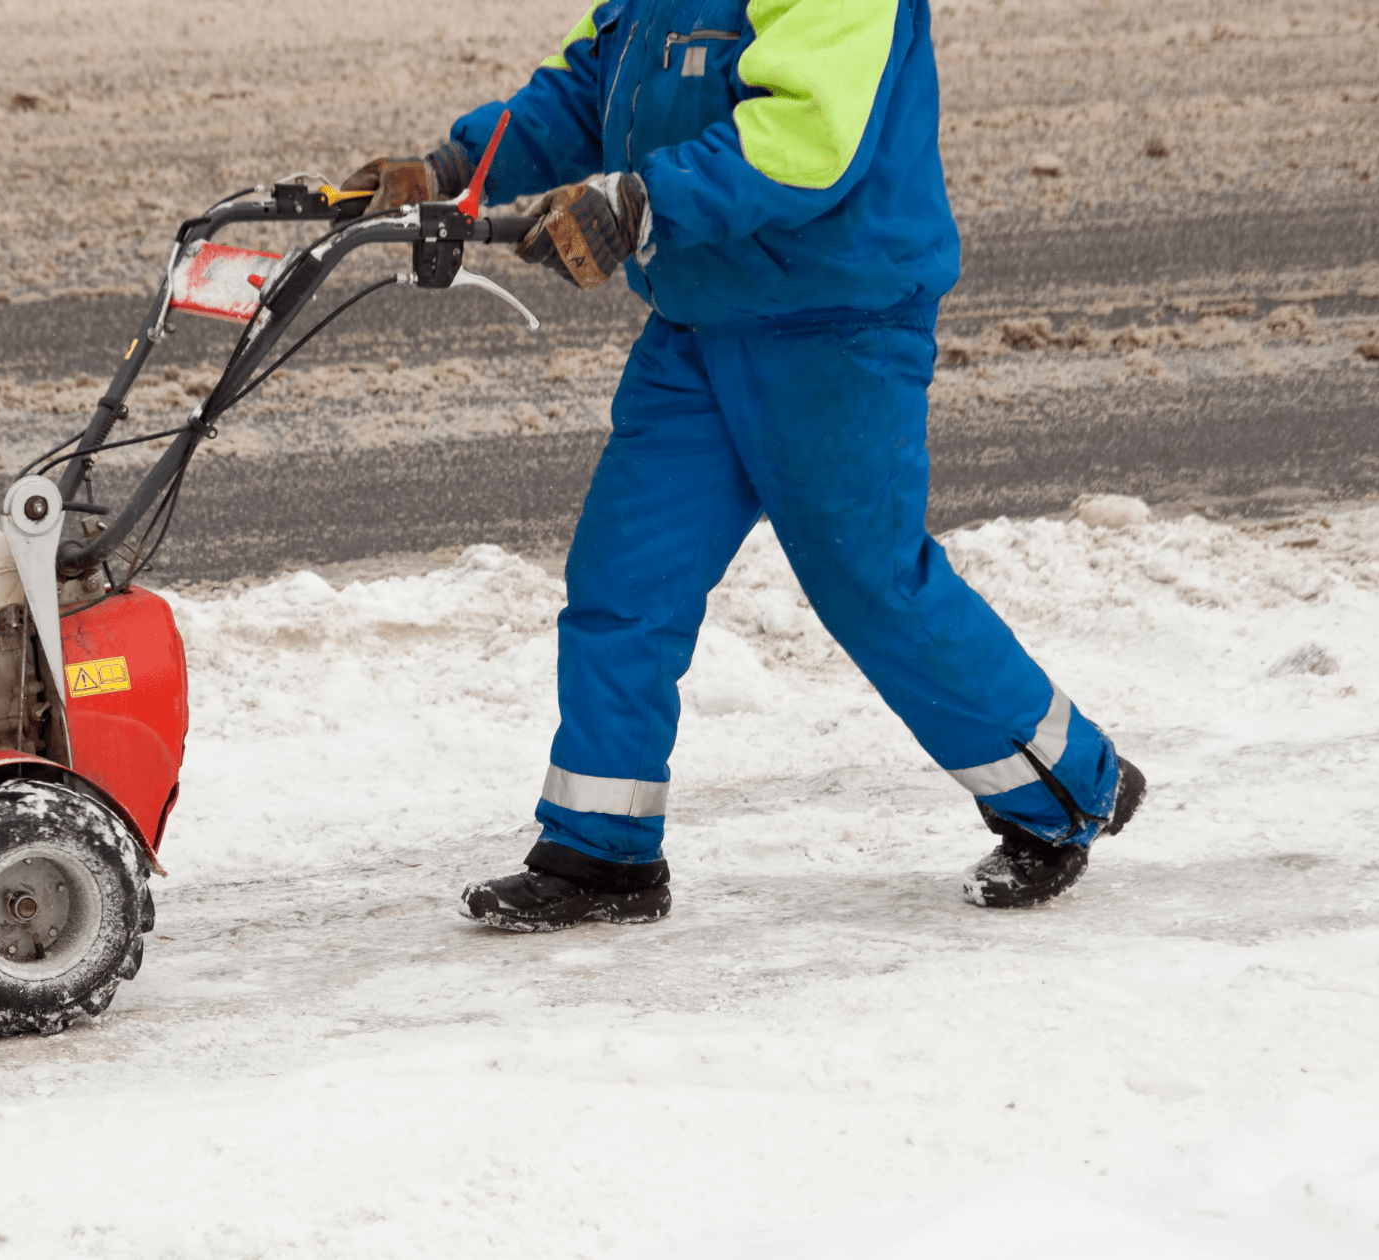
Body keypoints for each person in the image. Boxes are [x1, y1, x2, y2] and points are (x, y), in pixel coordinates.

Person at [341, 0, 1144, 931]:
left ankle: (1068, 787)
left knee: (871, 587)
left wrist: (641, 201)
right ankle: (602, 851)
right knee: (624, 577)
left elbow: (805, 133)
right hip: (697, 322)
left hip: (834, 326)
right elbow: (585, 91)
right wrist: (451, 168)